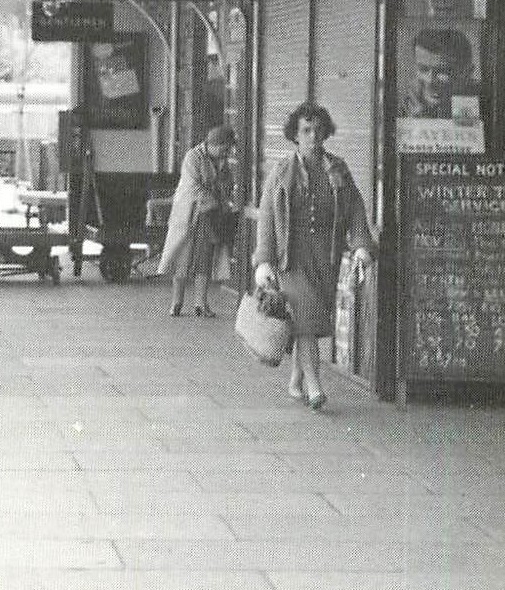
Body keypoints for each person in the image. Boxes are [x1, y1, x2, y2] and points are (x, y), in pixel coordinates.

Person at [253, 102, 376, 412]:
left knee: (308, 321)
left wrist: (361, 244)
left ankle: (296, 380)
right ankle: (314, 386)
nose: (313, 136)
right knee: (306, 321)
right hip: (290, 258)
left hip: (326, 256)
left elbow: (356, 209)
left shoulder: (338, 169)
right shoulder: (281, 172)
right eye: (306, 131)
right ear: (295, 134)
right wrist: (264, 262)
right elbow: (267, 218)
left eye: (318, 130)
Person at [158, 124, 238, 318]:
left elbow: (226, 183)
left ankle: (201, 304)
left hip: (208, 217)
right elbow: (192, 186)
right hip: (187, 214)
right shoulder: (192, 157)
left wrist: (224, 196)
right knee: (181, 258)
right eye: (224, 148)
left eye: (228, 150)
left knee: (205, 258)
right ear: (213, 144)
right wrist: (215, 199)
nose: (226, 153)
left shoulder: (222, 162)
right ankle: (176, 303)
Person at [401, 27, 474, 119]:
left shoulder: (485, 105)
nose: (430, 80)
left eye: (443, 71)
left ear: (467, 73)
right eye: (423, 69)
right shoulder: (409, 105)